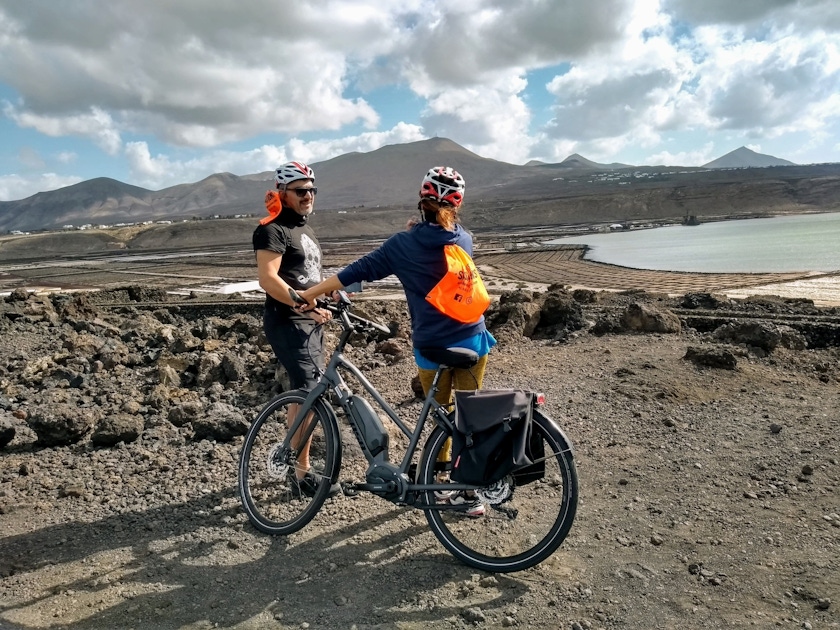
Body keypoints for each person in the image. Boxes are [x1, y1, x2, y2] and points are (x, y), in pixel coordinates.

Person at [301, 166, 496, 516]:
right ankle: (469, 490)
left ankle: (437, 482)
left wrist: (310, 293)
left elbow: (356, 271)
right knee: (466, 418)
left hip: (432, 347)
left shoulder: (402, 245)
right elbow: (440, 237)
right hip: (472, 340)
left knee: (438, 417)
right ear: (457, 205)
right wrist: (418, 230)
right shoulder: (463, 239)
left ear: (421, 201)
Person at [252, 161, 339, 498]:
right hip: (288, 321)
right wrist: (304, 303)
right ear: (282, 192)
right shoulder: (272, 230)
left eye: (312, 190)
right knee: (308, 391)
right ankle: (301, 474)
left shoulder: (305, 230)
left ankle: (293, 462)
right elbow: (268, 279)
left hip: (310, 321)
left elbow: (309, 276)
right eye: (301, 191)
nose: (308, 196)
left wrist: (330, 294)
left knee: (308, 390)